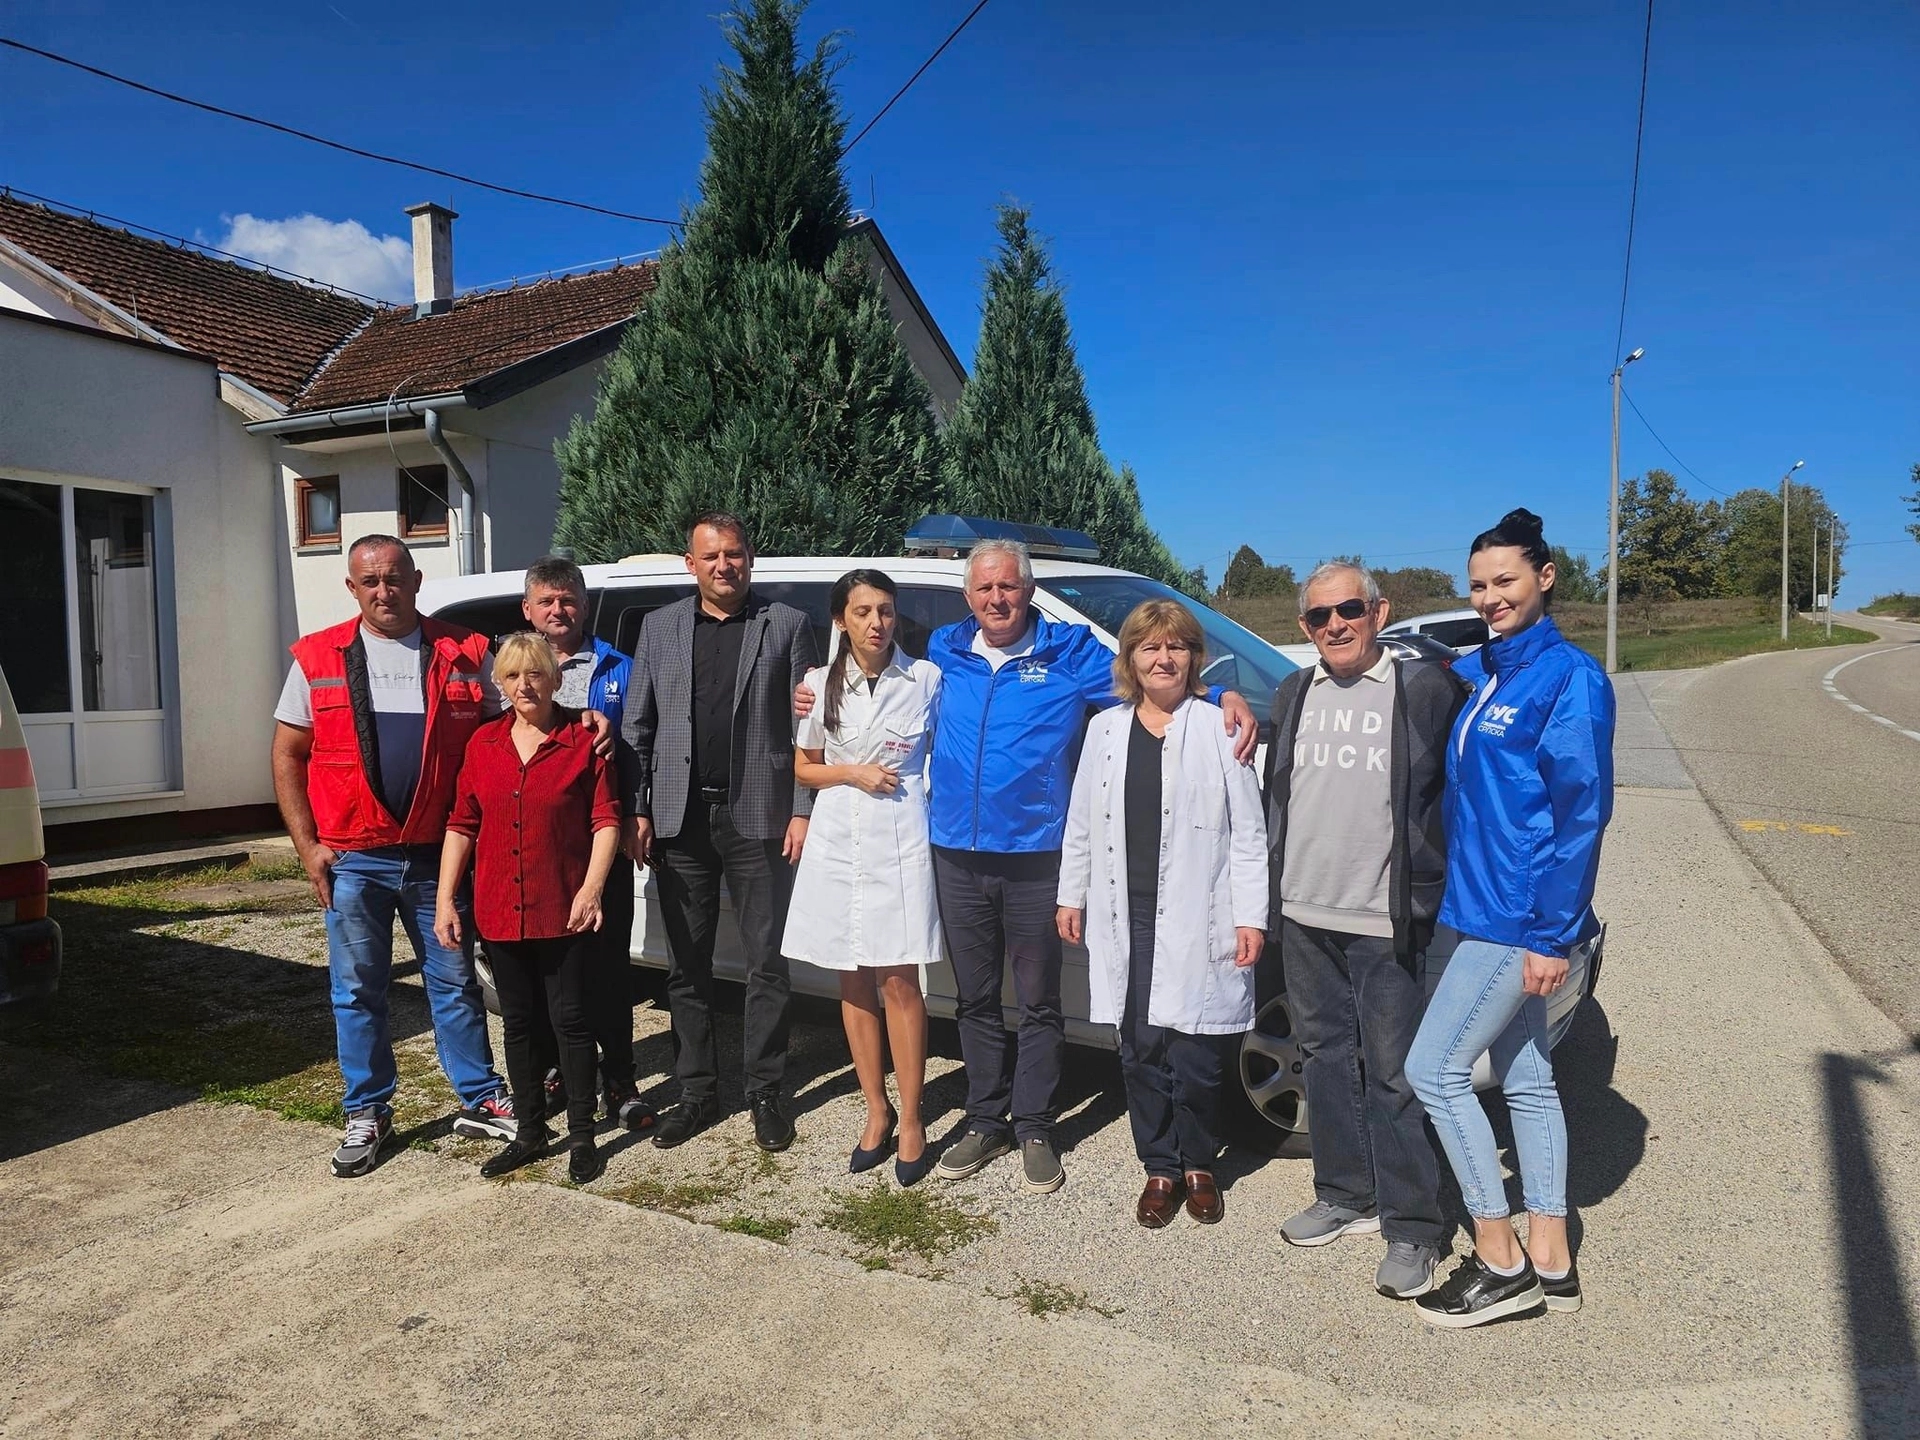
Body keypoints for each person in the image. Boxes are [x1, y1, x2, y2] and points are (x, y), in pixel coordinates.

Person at [796, 539, 1258, 1195]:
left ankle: (1035, 1124)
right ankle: (986, 1118)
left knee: (1039, 1002)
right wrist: (811, 696)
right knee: (976, 999)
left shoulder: (1069, 653)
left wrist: (1221, 696)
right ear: (968, 596)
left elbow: (1151, 677)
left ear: (1028, 590)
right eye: (984, 589)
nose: (997, 599)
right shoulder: (945, 653)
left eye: (1008, 587)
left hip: (1038, 856)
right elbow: (869, 684)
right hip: (955, 852)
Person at [1406, 508, 1616, 1328]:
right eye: (1480, 584)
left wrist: (1550, 935)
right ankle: (1553, 1255)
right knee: (1526, 1075)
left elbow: (1581, 815)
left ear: (1545, 577)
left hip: (1516, 918)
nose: (1491, 596)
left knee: (1435, 1072)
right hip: (1481, 905)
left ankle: (1499, 1260)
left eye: (1506, 581)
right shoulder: (1489, 670)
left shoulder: (1571, 679)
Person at [270, 534, 515, 1178]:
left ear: (416, 579)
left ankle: (481, 1097)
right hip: (354, 858)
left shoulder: (465, 651)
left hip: (440, 857)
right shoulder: (317, 657)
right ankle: (368, 1110)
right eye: (370, 581)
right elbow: (288, 755)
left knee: (456, 980)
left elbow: (507, 733)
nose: (384, 591)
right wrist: (308, 847)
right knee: (357, 990)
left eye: (395, 578)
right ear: (352, 588)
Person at [1266, 561, 1467, 1299]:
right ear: (1304, 628)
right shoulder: (1292, 692)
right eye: (1320, 616)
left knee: (1394, 1073)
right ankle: (1345, 1194)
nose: (1335, 625)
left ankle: (1414, 1227)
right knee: (1322, 1058)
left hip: (1384, 917)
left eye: (1349, 609)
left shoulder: (1424, 690)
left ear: (1379, 612)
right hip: (1304, 909)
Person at [1056, 601, 1267, 1227]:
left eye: (1175, 647)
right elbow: (1080, 825)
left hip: (1200, 915)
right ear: (1131, 659)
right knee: (1140, 1048)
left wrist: (1250, 917)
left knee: (1198, 1054)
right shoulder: (1105, 730)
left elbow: (1250, 835)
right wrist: (1072, 894)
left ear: (1194, 658)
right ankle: (1159, 1166)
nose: (1163, 658)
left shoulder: (1220, 727)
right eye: (1149, 648)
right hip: (1129, 916)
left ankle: (1199, 1161)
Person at [622, 513, 818, 1153]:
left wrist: (801, 808)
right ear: (690, 564)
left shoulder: (785, 626)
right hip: (680, 821)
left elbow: (808, 733)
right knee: (687, 965)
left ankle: (765, 1089)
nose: (723, 566)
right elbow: (638, 727)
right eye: (711, 556)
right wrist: (639, 807)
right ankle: (696, 1090)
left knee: (766, 962)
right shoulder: (660, 627)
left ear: (750, 560)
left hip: (757, 817)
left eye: (734, 554)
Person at [434, 632, 622, 1184]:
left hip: (562, 906)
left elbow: (606, 820)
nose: (524, 685)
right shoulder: (484, 744)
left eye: (535, 674)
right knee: (517, 1025)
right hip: (498, 907)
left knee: (571, 1021)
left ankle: (584, 1135)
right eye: (513, 675)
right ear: (500, 683)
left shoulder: (583, 740)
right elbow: (462, 824)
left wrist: (590, 890)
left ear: (556, 678)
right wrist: (446, 898)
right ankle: (532, 1131)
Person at [783, 570, 942, 1187]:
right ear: (841, 621)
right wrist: (853, 774)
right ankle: (876, 1111)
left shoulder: (925, 678)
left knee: (901, 978)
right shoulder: (818, 686)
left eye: (885, 610)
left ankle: (913, 1121)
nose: (876, 623)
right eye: (862, 612)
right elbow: (804, 768)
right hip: (838, 839)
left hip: (901, 840)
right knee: (852, 977)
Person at [520, 555, 653, 1135]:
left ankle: (620, 1080)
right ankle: (556, 1073)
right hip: (535, 849)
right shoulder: (508, 672)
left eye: (568, 598)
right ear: (527, 609)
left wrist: (638, 810)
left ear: (585, 604)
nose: (558, 610)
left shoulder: (621, 667)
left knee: (606, 970)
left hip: (603, 841)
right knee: (544, 971)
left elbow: (645, 744)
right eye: (546, 600)